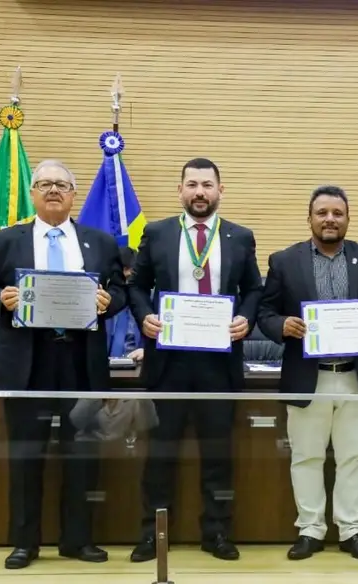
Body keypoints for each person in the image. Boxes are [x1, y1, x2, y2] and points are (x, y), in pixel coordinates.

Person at [0, 159, 126, 569]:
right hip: (27, 362)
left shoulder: (100, 242)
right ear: (33, 193)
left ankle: (78, 540)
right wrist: (1, 301)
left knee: (82, 457)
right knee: (26, 456)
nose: (53, 190)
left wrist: (109, 302)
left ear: (74, 194)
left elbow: (122, 293)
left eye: (62, 184)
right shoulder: (7, 240)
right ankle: (25, 542)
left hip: (81, 362)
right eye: (44, 184)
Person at [127, 157, 263, 562]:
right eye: (192, 184)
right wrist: (144, 317)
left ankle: (217, 533)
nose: (199, 192)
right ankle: (153, 535)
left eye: (207, 185)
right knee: (160, 455)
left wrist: (246, 318)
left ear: (221, 190)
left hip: (218, 364)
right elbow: (137, 287)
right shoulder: (158, 233)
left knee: (218, 455)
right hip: (168, 362)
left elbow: (255, 289)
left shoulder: (240, 237)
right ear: (180, 190)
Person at [257, 185, 358, 561]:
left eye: (337, 213)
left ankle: (352, 530)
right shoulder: (284, 260)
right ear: (310, 218)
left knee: (355, 457)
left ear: (348, 218)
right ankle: (311, 529)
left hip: (357, 376)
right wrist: (282, 325)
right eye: (322, 213)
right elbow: (264, 313)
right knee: (306, 457)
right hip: (308, 377)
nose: (330, 219)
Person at [106, 246, 143, 360]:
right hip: (104, 368)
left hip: (139, 368)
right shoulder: (104, 302)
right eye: (122, 268)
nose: (126, 274)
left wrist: (147, 351)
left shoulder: (150, 302)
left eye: (130, 268)